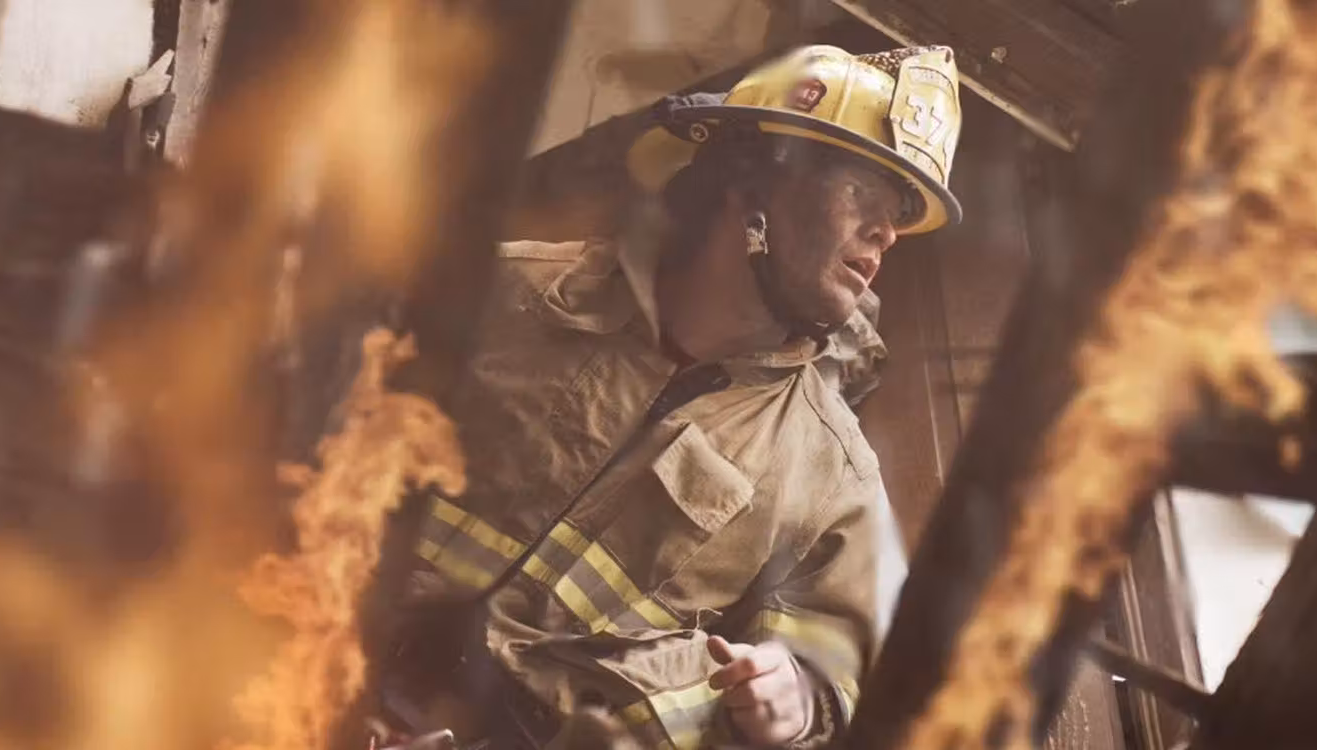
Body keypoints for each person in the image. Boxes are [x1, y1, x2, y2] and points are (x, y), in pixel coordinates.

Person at [396, 43, 964, 749]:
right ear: (750, 178)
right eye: (862, 192)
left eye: (901, 213)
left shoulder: (833, 477)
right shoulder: (500, 293)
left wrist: (796, 700)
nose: (886, 233)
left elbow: (839, 675)